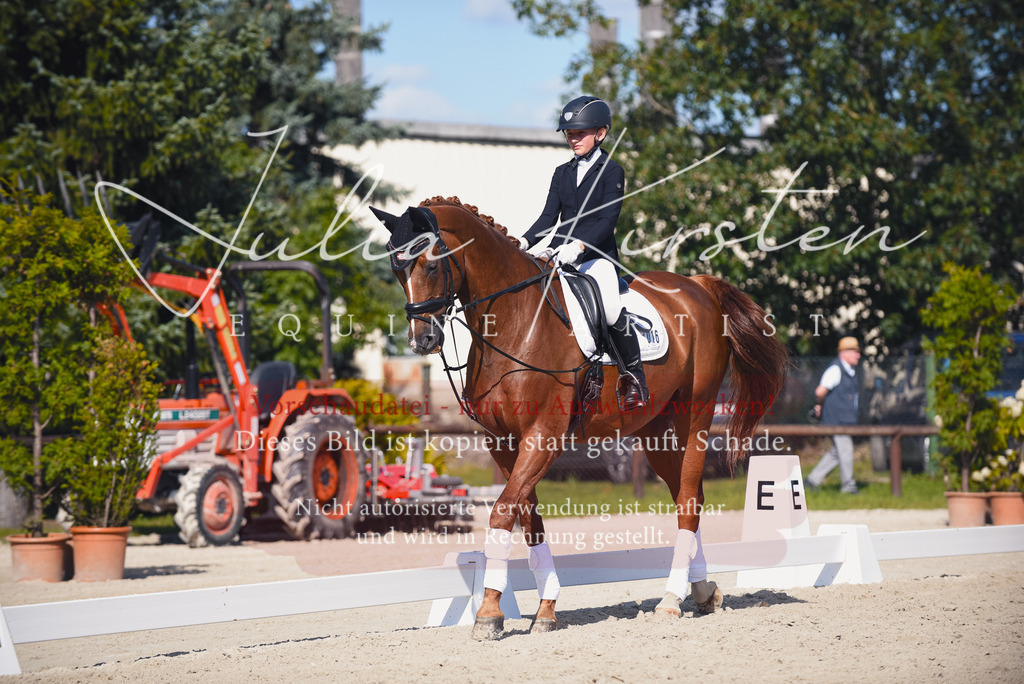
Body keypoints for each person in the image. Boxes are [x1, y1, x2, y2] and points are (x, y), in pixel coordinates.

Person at [514, 95, 649, 411]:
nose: (573, 139)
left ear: (600, 133)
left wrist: (578, 247)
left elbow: (606, 221)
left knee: (612, 308)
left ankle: (634, 378)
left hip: (596, 258)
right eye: (569, 134)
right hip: (560, 254)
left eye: (580, 133)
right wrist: (521, 242)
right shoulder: (561, 172)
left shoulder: (612, 170)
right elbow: (549, 218)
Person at [807, 337, 862, 494]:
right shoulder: (836, 370)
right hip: (837, 420)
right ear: (844, 353)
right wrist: (820, 405)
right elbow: (820, 391)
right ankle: (848, 487)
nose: (858, 355)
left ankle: (812, 480)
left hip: (843, 420)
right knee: (846, 451)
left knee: (837, 452)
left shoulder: (848, 371)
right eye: (855, 351)